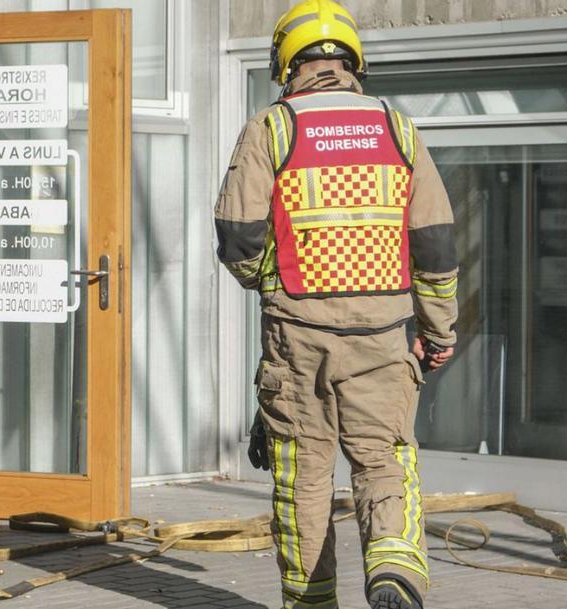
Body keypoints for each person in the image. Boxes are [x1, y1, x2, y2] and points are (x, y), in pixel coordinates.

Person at [214, 2, 458, 608]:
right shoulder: (398, 130)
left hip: (299, 337)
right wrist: (439, 330)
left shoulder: (271, 128)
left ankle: (311, 600)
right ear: (352, 61)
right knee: (385, 457)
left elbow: (238, 238)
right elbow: (434, 242)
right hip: (383, 332)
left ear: (285, 61)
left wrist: (275, 280)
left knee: (305, 474)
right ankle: (395, 568)